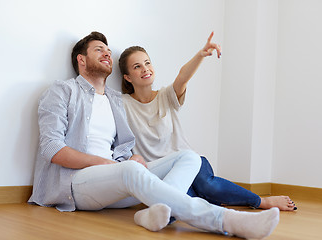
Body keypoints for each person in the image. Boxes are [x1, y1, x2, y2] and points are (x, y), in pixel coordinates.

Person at [28, 31, 280, 239]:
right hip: (77, 184)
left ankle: (157, 213)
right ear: (81, 60)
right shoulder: (63, 91)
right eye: (98, 49)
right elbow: (52, 149)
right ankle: (228, 220)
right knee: (130, 170)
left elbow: (124, 148)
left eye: (108, 49)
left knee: (189, 158)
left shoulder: (116, 100)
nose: (107, 53)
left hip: (114, 183)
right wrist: (114, 164)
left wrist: (132, 157)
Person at [120, 32, 297, 211]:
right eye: (137, 66)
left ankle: (261, 201)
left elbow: (182, 77)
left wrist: (201, 54)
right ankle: (217, 201)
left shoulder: (166, 96)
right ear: (127, 77)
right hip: (162, 174)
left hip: (189, 164)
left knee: (208, 186)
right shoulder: (123, 105)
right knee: (179, 203)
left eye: (147, 63)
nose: (145, 69)